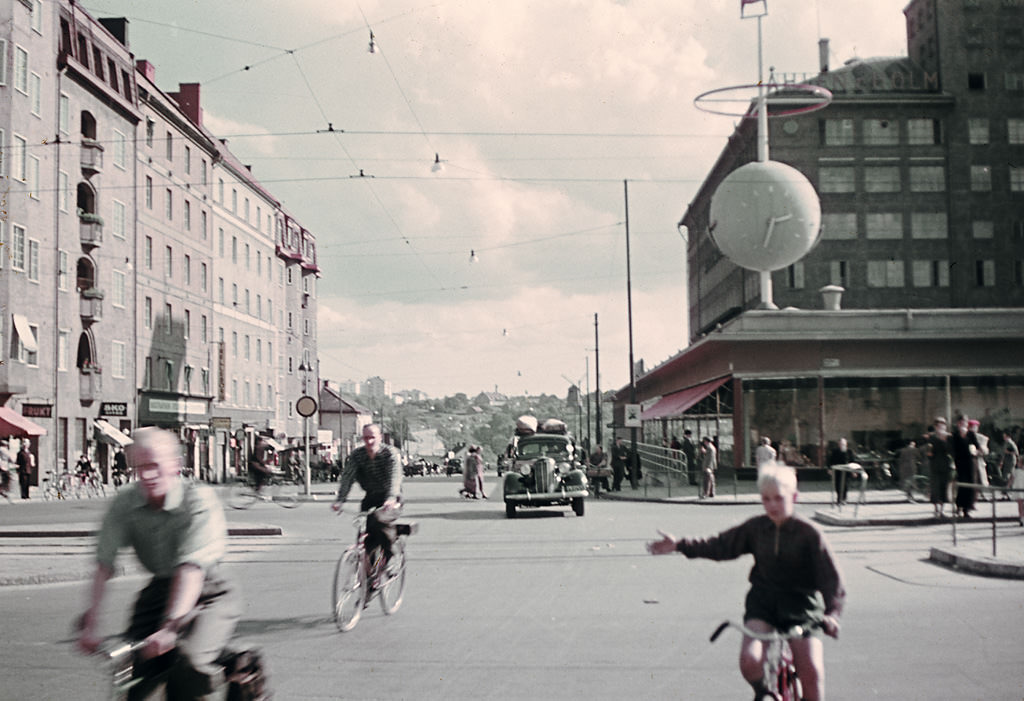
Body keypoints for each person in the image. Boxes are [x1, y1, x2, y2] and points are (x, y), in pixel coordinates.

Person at [648, 463, 844, 701]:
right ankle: (764, 692)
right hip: (763, 604)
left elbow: (831, 579)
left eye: (779, 498)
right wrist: (680, 544)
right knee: (750, 661)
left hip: (802, 608)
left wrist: (832, 614)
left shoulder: (810, 534)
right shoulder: (756, 528)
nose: (772, 505)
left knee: (812, 672)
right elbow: (720, 545)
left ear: (794, 497)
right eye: (766, 499)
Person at [75, 427, 241, 699]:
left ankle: (235, 662)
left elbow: (191, 570)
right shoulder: (126, 502)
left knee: (188, 667)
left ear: (175, 466)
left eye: (155, 466)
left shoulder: (197, 501)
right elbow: (103, 564)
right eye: (140, 467)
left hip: (209, 592)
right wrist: (91, 622)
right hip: (159, 592)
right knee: (135, 679)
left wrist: (169, 628)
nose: (148, 476)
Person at [331, 424, 403, 564]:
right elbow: (348, 477)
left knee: (379, 522)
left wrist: (391, 498)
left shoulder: (389, 454)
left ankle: (390, 555)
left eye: (372, 437)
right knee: (364, 530)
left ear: (380, 438)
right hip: (371, 496)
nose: (369, 442)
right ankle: (369, 574)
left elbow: (395, 477)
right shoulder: (358, 455)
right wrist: (340, 500)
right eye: (365, 438)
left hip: (390, 498)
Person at [951, 415, 981, 518]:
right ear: (958, 424)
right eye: (961, 422)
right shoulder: (955, 435)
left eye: (965, 422)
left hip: (970, 462)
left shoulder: (971, 434)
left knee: (971, 485)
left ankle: (966, 509)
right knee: (962, 484)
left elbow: (978, 447)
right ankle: (959, 506)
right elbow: (952, 449)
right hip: (960, 463)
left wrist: (976, 451)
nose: (963, 424)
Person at [926, 418, 953, 517]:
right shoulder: (932, 437)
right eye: (939, 425)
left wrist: (945, 440)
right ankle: (936, 509)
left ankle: (942, 510)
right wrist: (929, 453)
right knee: (935, 487)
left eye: (943, 425)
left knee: (944, 487)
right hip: (935, 465)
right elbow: (929, 453)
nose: (941, 427)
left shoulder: (949, 437)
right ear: (935, 427)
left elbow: (951, 450)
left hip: (946, 465)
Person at [827, 438, 861, 506]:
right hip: (838, 471)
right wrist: (829, 469)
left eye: (843, 444)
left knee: (845, 485)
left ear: (846, 444)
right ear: (838, 444)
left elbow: (853, 461)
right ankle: (839, 499)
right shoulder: (835, 452)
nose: (842, 445)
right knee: (838, 485)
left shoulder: (849, 451)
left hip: (847, 471)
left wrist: (854, 471)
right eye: (840, 444)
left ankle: (844, 498)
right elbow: (830, 461)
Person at [967, 419, 990, 500]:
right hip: (967, 461)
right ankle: (971, 499)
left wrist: (978, 450)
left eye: (975, 427)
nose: (973, 429)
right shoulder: (965, 436)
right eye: (971, 427)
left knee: (979, 480)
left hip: (978, 461)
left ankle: (977, 497)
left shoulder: (982, 438)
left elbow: (986, 450)